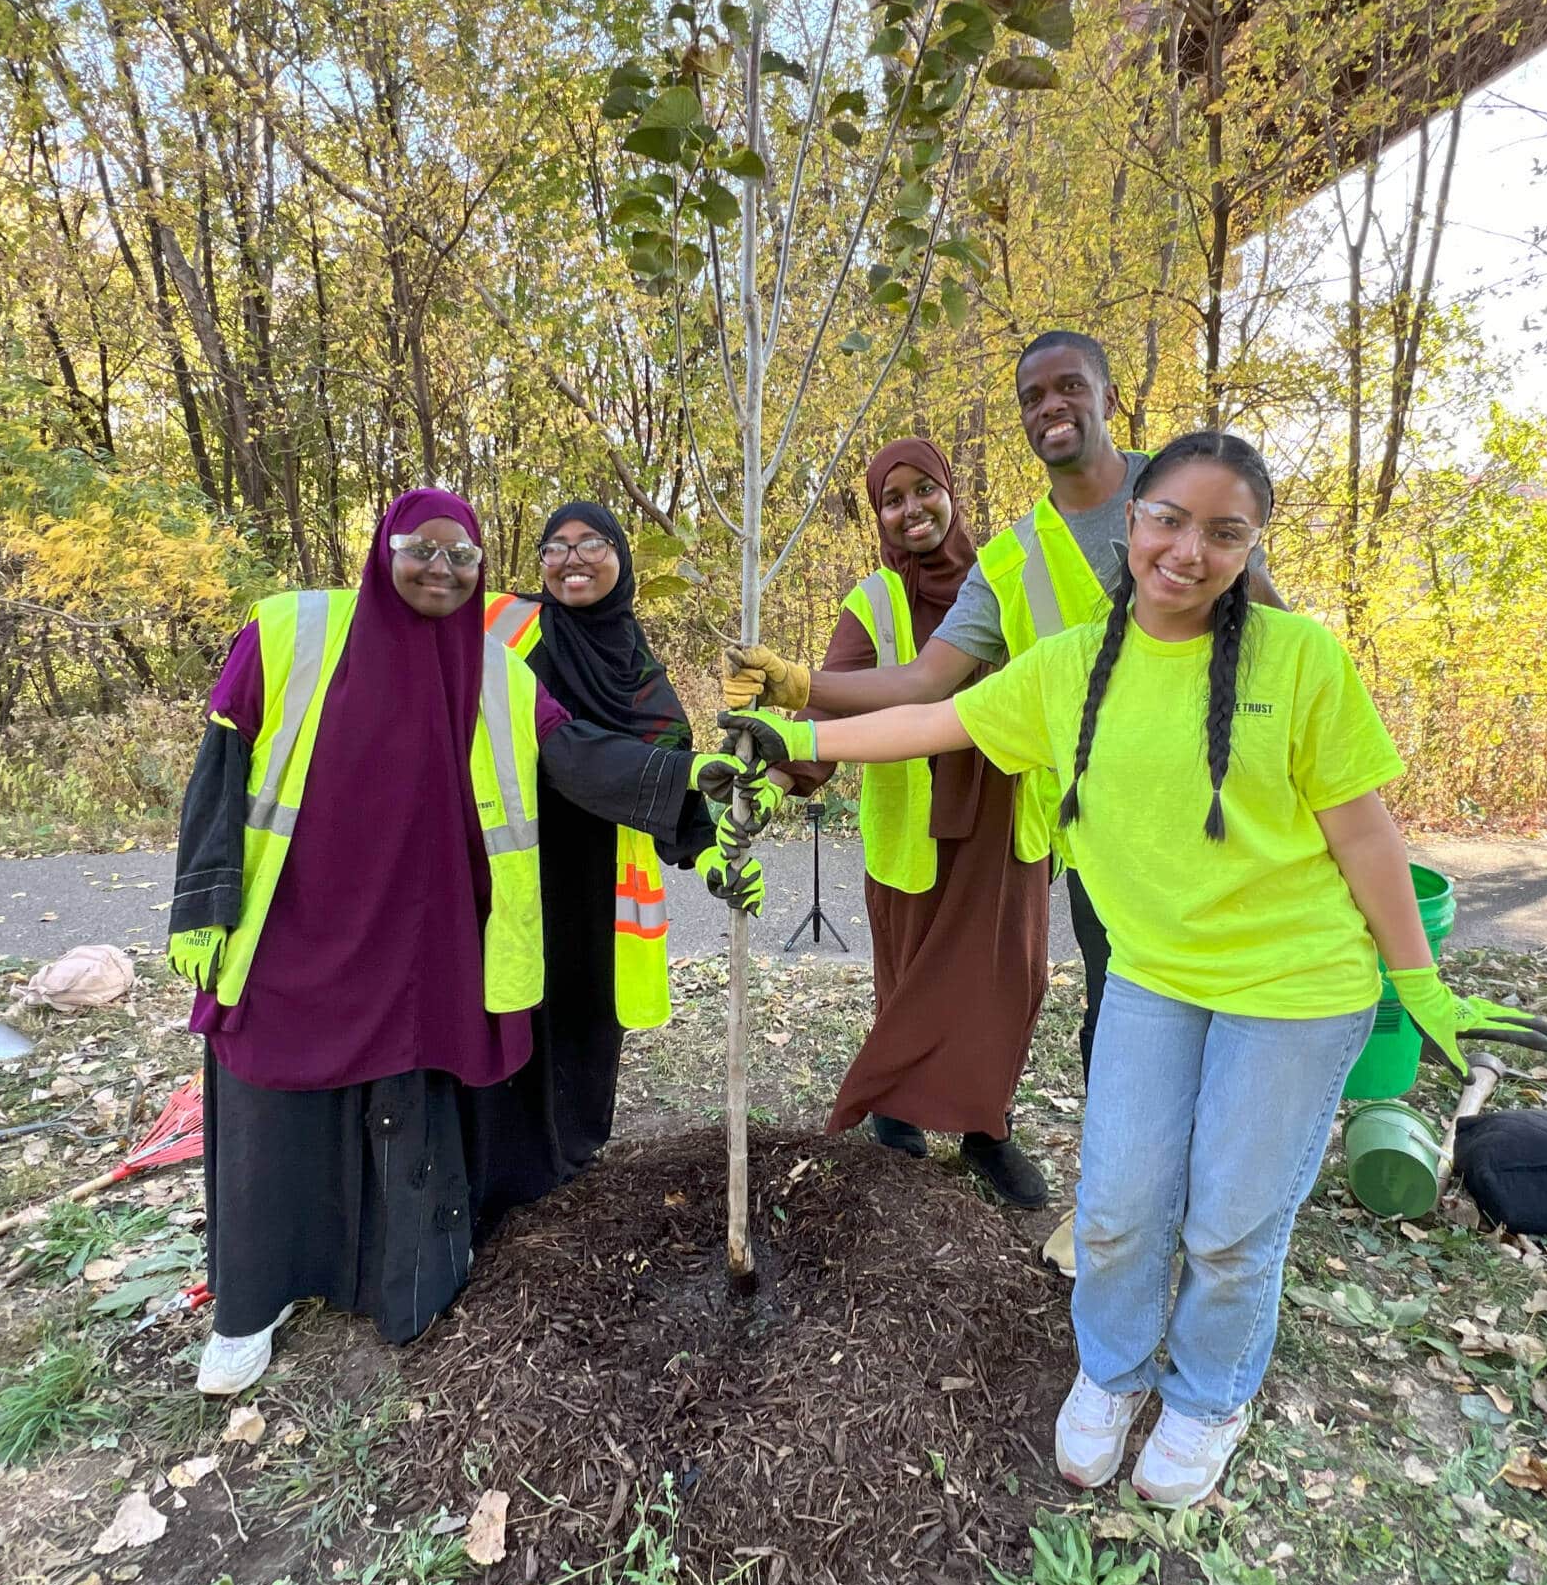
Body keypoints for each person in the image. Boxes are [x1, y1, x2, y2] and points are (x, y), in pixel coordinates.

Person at [718, 432, 1529, 1508]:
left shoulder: (1298, 659)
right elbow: (929, 719)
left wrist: (1415, 979)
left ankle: (1206, 1397)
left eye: (1225, 531)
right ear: (1132, 522)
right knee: (1117, 1205)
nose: (1189, 550)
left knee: (1231, 1223)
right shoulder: (1070, 665)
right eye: (1169, 521)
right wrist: (787, 728)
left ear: (1250, 547)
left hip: (1293, 989)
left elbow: (1367, 834)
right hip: (1155, 976)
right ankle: (1112, 1371)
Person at [164, 489, 757, 1395]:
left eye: (462, 556)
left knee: (409, 1101)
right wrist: (203, 900)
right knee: (276, 1108)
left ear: (482, 570)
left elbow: (583, 760)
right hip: (296, 929)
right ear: (383, 549)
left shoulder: (496, 672)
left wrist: (699, 790)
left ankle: (405, 1283)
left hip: (422, 942)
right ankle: (255, 1302)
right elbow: (224, 762)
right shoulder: (292, 631)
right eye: (421, 549)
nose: (440, 568)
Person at [722, 332, 1285, 1255]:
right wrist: (789, 712)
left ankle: (1151, 1196)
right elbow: (922, 694)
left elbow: (1275, 633)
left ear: (1107, 396)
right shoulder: (1008, 568)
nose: (1178, 550)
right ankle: (1115, 1210)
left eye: (1071, 388)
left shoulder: (1180, 493)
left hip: (1175, 815)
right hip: (1069, 827)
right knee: (1122, 1017)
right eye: (1034, 394)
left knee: (1139, 1007)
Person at [766, 441, 1053, 1206]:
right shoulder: (874, 601)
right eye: (892, 499)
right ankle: (896, 1116)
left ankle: (988, 1129)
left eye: (925, 489)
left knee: (1005, 978)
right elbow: (832, 698)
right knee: (911, 979)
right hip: (912, 825)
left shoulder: (1012, 580)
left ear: (952, 491)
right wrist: (781, 769)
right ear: (879, 517)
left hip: (1006, 816)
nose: (911, 509)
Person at [465, 501, 749, 1235]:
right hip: (511, 859)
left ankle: (573, 1164)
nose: (572, 559)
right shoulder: (501, 626)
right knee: (510, 1008)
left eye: (591, 543)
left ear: (621, 557)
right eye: (554, 547)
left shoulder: (634, 664)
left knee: (587, 1016)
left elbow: (675, 765)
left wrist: (716, 852)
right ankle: (503, 1178)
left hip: (598, 874)